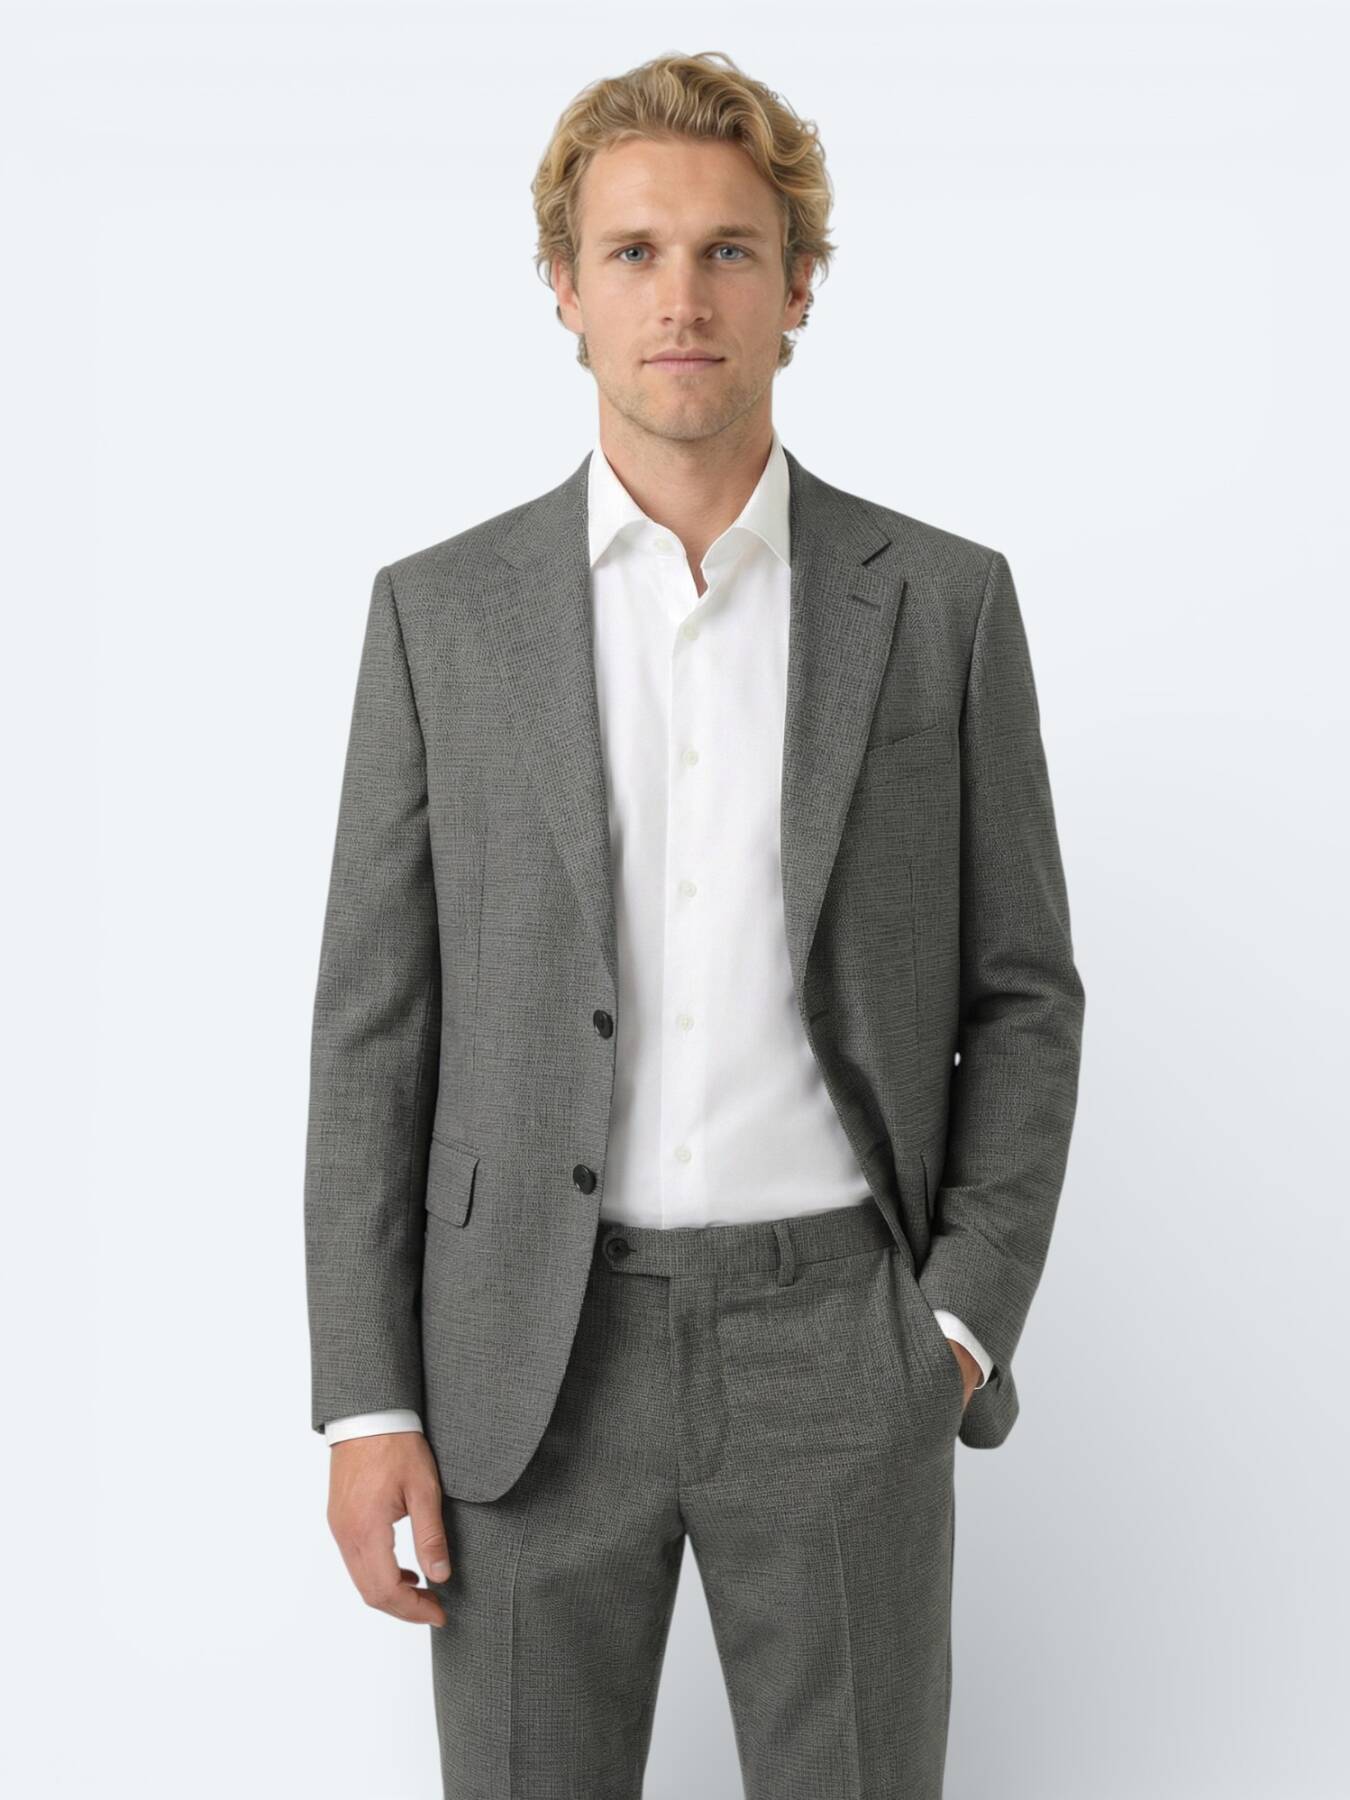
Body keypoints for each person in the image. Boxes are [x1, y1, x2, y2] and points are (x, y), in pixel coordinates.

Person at [304, 48, 1085, 1799]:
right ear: (562, 288)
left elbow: (1024, 993)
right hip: (524, 1356)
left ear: (798, 286)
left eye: (730, 250)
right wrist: (368, 1402)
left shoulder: (940, 605)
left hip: (842, 1343)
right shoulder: (439, 616)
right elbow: (373, 1026)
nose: (681, 297)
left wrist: (953, 1324)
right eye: (634, 252)